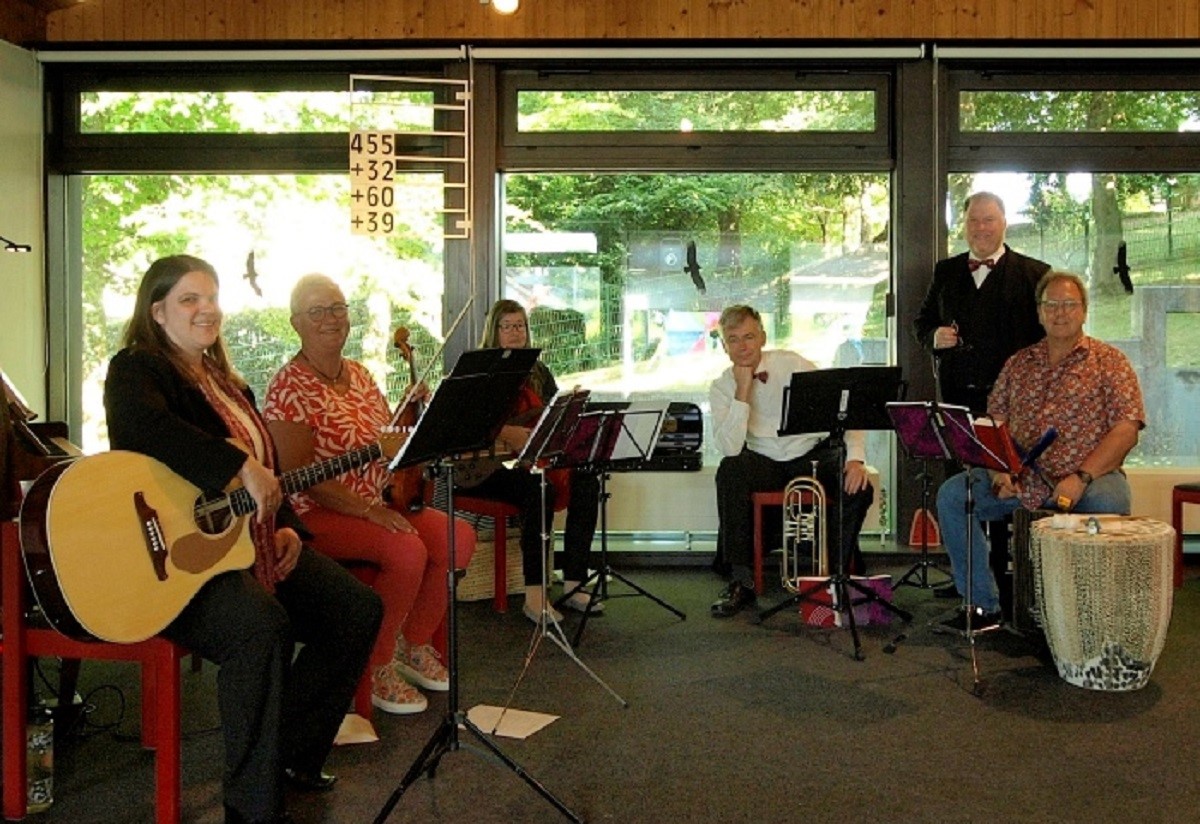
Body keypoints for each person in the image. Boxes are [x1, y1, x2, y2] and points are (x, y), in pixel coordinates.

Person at [104, 255, 383, 824]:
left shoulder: (230, 383)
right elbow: (146, 430)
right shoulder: (135, 369)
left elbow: (271, 471)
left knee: (356, 608)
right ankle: (251, 807)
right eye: (189, 300)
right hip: (171, 561)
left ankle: (289, 755)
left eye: (211, 298)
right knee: (259, 625)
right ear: (157, 312)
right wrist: (237, 466)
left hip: (247, 541)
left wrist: (287, 526)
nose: (206, 309)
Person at [263, 274, 477, 716]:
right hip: (316, 515)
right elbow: (298, 475)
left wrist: (408, 410)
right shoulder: (288, 386)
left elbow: (383, 441)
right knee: (406, 550)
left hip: (375, 501)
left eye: (337, 308)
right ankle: (377, 666)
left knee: (457, 536)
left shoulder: (359, 374)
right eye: (317, 311)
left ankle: (414, 642)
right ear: (296, 323)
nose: (330, 319)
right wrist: (368, 512)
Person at [936, 270, 1146, 631]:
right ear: (1039, 312)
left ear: (1084, 311)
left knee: (1110, 502)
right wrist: (996, 471)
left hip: (1089, 481)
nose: (1060, 312)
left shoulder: (1111, 362)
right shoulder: (1018, 364)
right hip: (1021, 481)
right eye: (1052, 304)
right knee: (954, 495)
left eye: (1069, 305)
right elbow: (992, 423)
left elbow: (1126, 430)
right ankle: (982, 606)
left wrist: (1080, 478)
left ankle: (1089, 616)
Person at [709, 304, 874, 618]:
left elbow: (845, 408)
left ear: (762, 338)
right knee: (730, 471)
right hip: (763, 460)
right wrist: (743, 390)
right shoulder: (720, 387)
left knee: (859, 487)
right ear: (724, 345)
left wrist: (856, 460)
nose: (743, 346)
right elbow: (730, 447)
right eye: (733, 339)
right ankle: (740, 582)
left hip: (811, 454)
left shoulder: (793, 364)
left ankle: (837, 576)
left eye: (749, 337)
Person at [461, 298, 603, 622]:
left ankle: (573, 582)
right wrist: (506, 431)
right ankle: (535, 597)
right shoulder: (481, 368)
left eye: (520, 326)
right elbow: (467, 425)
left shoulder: (538, 370)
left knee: (586, 478)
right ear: (494, 331)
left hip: (527, 459)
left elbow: (550, 417)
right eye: (507, 327)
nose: (515, 333)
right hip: (483, 467)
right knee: (538, 490)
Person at [913, 191, 1051, 415]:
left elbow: (1050, 336)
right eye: (973, 221)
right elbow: (922, 323)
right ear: (964, 225)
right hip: (955, 399)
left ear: (1004, 223)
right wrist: (934, 336)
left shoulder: (1036, 274)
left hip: (1015, 401)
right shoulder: (945, 271)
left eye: (989, 220)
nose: (981, 228)